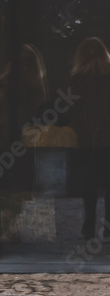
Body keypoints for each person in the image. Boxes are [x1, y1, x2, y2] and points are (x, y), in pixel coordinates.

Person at [65, 37, 110, 239]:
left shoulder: (77, 79)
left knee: (89, 184)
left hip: (86, 139)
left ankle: (89, 225)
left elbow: (70, 110)